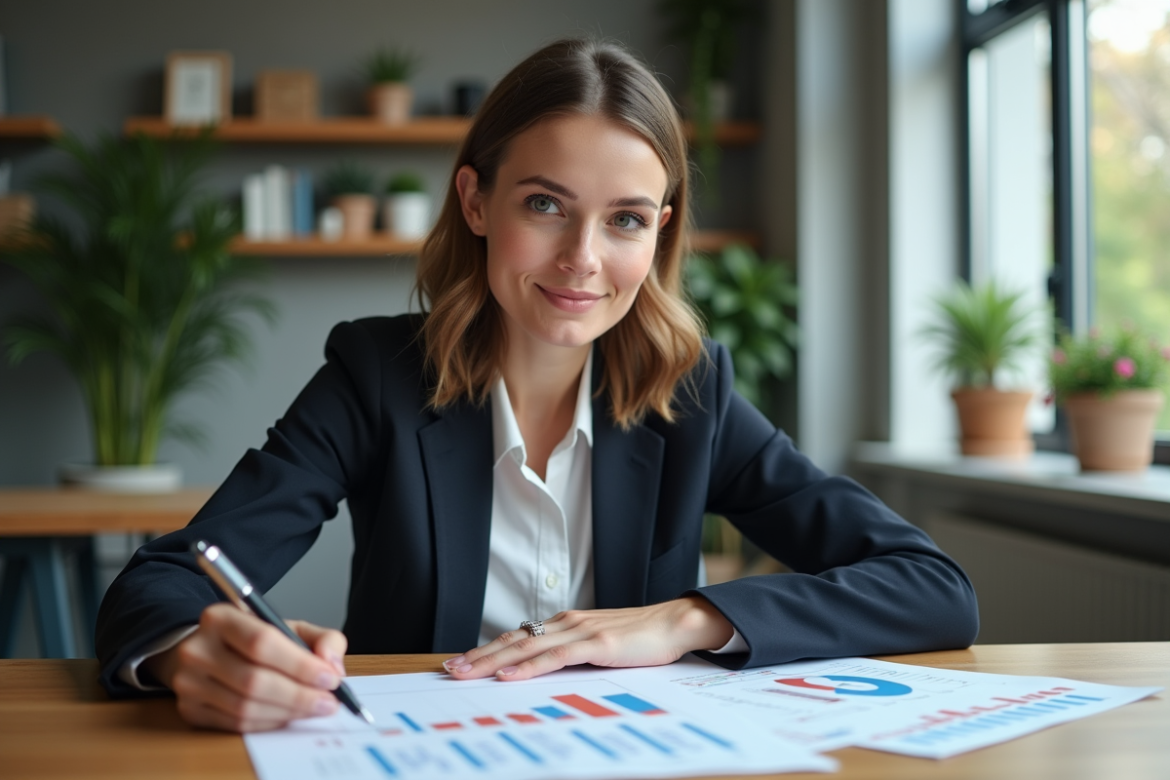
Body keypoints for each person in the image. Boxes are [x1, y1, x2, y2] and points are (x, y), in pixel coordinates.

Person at [95, 38, 978, 733]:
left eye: (625, 219)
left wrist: (683, 620)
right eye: (546, 205)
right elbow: (164, 581)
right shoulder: (375, 377)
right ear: (476, 202)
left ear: (660, 233)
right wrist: (191, 652)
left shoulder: (692, 394)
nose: (583, 259)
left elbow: (931, 586)